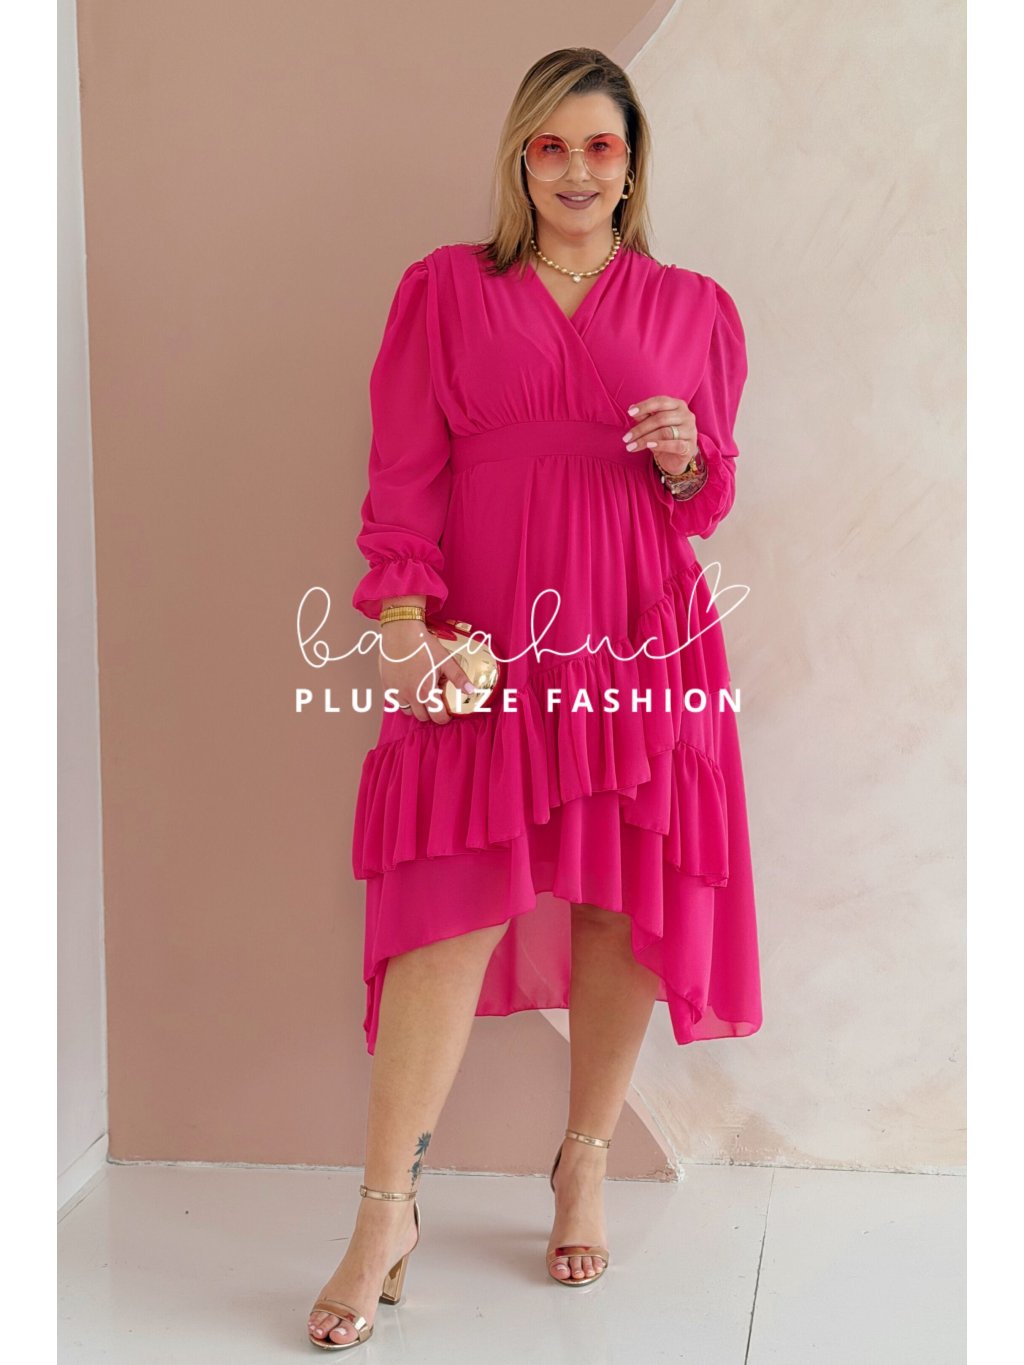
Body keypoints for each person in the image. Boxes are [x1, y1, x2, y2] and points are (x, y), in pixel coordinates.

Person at [308, 46, 763, 1351]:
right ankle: (385, 1212)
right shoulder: (445, 291)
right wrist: (405, 625)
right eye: (551, 145)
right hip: (486, 636)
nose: (574, 170)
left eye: (599, 146)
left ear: (633, 162)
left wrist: (685, 462)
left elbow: (709, 494)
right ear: (521, 156)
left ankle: (584, 1159)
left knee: (619, 901)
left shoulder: (694, 306)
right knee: (442, 913)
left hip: (637, 630)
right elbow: (403, 470)